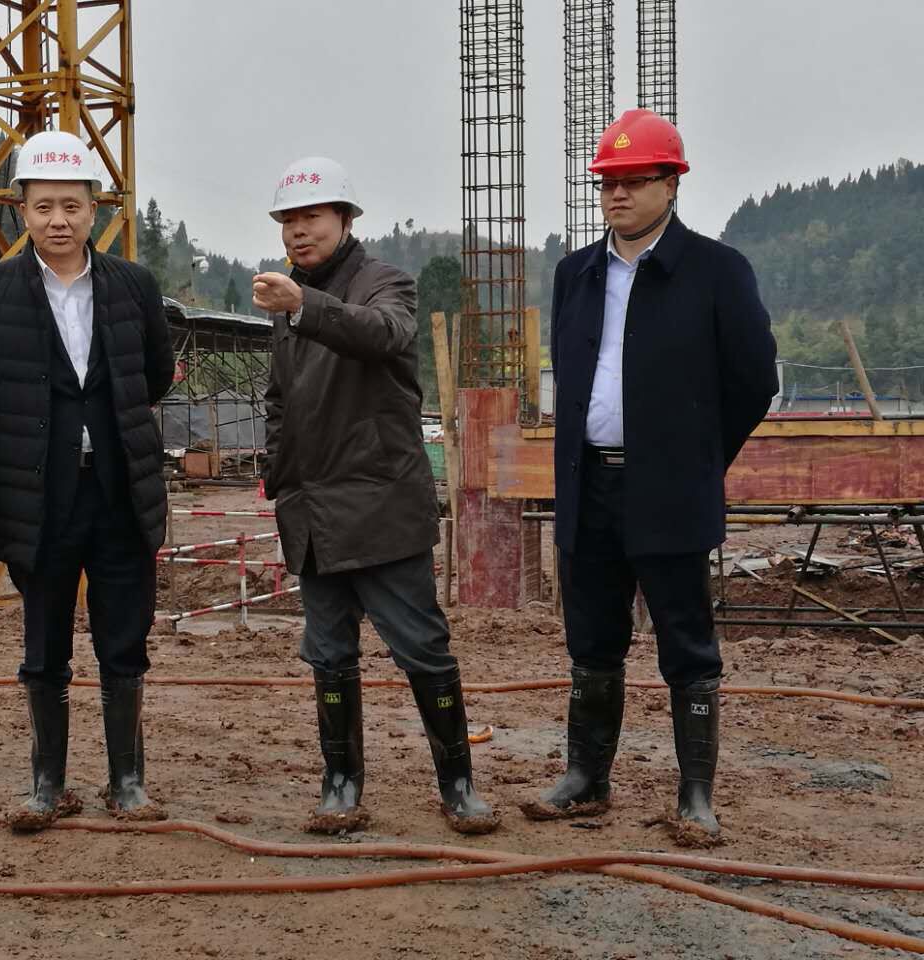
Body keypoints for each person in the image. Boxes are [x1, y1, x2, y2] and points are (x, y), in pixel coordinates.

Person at [522, 109, 778, 839]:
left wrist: (696, 460)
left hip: (669, 491)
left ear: (672, 184)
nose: (618, 194)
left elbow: (753, 381)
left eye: (635, 181)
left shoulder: (717, 271)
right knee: (592, 639)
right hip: (590, 486)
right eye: (608, 182)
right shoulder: (576, 274)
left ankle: (695, 794)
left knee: (686, 642)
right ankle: (586, 779)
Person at [254, 156, 498, 835]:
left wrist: (303, 306)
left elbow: (383, 334)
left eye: (311, 217)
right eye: (288, 221)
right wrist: (279, 470)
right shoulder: (287, 303)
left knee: (421, 647)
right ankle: (341, 784)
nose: (298, 231)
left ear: (344, 218)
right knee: (328, 653)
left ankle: (458, 785)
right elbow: (279, 400)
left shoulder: (385, 283)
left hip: (380, 507)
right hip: (312, 512)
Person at [0, 129, 174, 831]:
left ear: (93, 210)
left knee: (124, 636)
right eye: (43, 206)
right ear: (21, 210)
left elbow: (155, 375)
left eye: (71, 206)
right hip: (36, 496)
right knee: (43, 642)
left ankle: (127, 781)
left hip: (119, 490)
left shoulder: (133, 286)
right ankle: (47, 783)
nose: (58, 220)